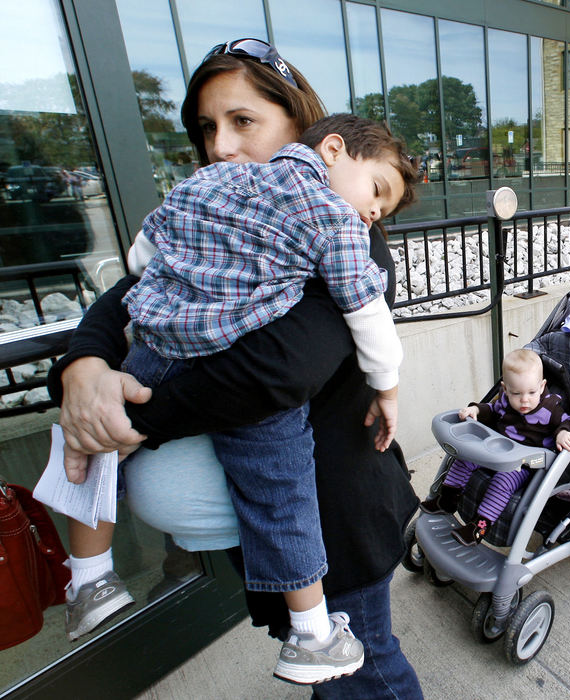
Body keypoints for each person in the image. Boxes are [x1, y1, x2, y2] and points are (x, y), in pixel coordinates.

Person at [47, 38, 424, 698]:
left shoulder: (345, 237)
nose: (219, 145)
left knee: (366, 675)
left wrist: (124, 415)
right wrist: (81, 369)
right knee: (332, 677)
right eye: (206, 128)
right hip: (281, 537)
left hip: (337, 522)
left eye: (242, 121)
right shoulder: (225, 212)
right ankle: (91, 576)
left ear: (306, 130)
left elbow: (272, 373)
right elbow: (125, 294)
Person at [420, 348, 570, 544]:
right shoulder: (505, 399)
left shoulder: (550, 407)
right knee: (464, 459)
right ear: (505, 388)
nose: (524, 400)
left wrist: (562, 432)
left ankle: (479, 527)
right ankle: (447, 500)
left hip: (523, 462)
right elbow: (492, 410)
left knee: (502, 483)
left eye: (531, 392)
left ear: (542, 385)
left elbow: (565, 421)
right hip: (495, 450)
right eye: (516, 393)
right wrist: (475, 409)